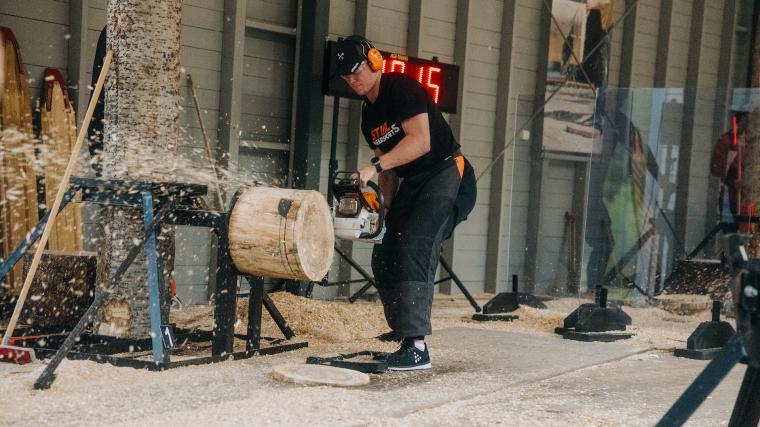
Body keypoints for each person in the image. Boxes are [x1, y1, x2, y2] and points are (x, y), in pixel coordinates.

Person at [335, 35, 477, 371]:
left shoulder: (403, 89)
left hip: (448, 173)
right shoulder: (369, 116)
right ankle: (402, 329)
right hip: (413, 183)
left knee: (416, 243)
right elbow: (391, 170)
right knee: (385, 248)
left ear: (373, 61)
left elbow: (421, 143)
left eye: (355, 71)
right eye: (346, 76)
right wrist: (384, 212)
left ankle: (417, 347)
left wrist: (373, 166)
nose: (351, 80)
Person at [710, 112, 748, 228]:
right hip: (731, 199)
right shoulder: (726, 141)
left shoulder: (750, 143)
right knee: (734, 237)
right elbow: (715, 169)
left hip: (746, 200)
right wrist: (732, 178)